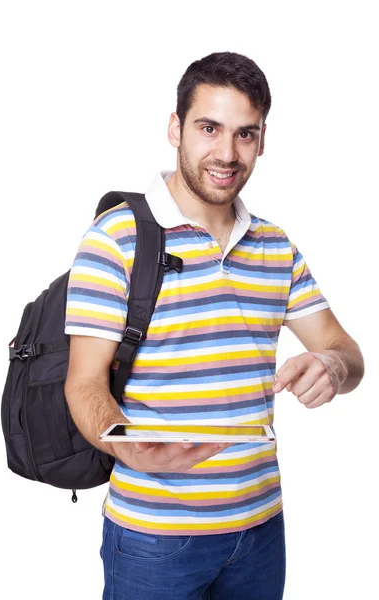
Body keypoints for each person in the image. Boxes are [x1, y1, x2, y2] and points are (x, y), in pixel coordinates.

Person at [64, 52, 364, 600]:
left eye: (245, 134)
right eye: (209, 128)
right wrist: (126, 443)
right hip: (154, 538)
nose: (227, 154)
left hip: (261, 530)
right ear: (175, 128)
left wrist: (332, 364)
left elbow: (345, 351)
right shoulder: (116, 239)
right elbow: (83, 381)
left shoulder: (276, 246)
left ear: (263, 139)